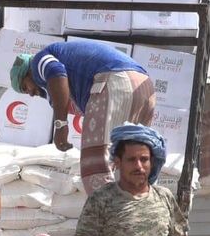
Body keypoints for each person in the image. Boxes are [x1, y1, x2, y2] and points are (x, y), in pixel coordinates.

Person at [9, 41, 156, 195]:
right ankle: (138, 210)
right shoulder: (64, 80)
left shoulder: (38, 61)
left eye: (25, 88)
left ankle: (108, 214)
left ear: (27, 73)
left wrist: (61, 125)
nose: (31, 94)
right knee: (132, 160)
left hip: (116, 81)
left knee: (95, 163)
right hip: (144, 86)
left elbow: (55, 71)